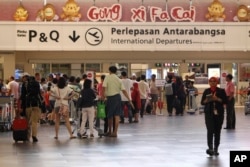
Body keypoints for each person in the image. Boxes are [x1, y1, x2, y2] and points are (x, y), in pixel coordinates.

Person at [102, 66, 131, 137]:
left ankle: (109, 131)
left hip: (110, 98)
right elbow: (124, 90)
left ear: (110, 71)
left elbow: (104, 87)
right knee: (117, 115)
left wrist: (103, 96)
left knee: (109, 116)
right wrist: (129, 99)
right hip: (117, 98)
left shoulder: (107, 77)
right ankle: (115, 132)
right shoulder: (119, 79)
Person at [201, 77, 227, 156]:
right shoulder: (206, 91)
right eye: (211, 81)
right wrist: (208, 100)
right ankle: (210, 148)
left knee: (217, 132)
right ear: (209, 82)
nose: (212, 83)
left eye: (214, 81)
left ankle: (216, 148)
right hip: (209, 114)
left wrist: (217, 99)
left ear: (217, 82)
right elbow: (202, 102)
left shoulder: (221, 91)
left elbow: (225, 101)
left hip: (219, 114)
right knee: (210, 131)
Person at [25, 76, 43, 142]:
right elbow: (39, 93)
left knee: (28, 122)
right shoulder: (37, 84)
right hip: (36, 104)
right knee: (34, 121)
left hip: (28, 104)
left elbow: (23, 95)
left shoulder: (25, 85)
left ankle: (27, 136)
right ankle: (34, 136)